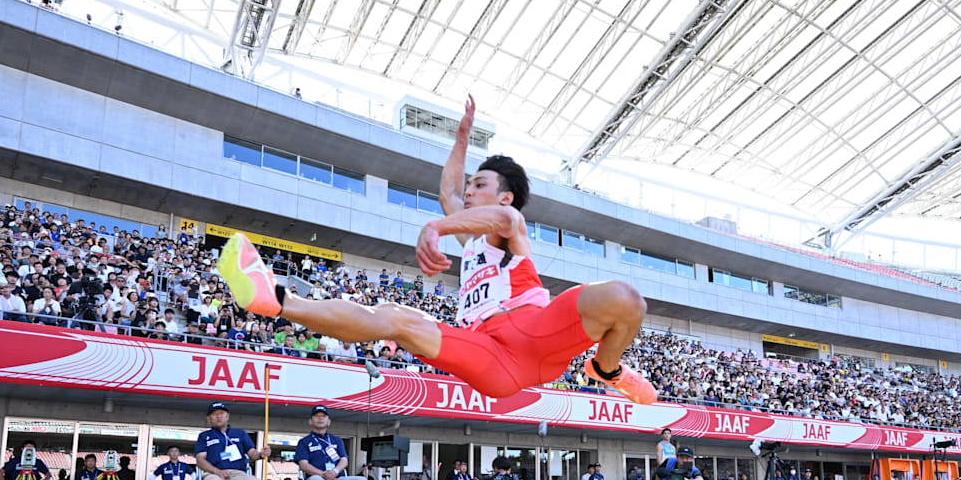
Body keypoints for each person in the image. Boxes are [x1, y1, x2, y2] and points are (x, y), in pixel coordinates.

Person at [215, 95, 656, 404]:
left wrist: (435, 226)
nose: (467, 192)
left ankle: (606, 369)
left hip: (535, 336)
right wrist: (462, 137)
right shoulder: (470, 236)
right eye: (469, 186)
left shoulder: (509, 225)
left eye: (478, 186)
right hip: (489, 356)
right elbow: (448, 190)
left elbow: (496, 219)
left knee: (625, 298)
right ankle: (276, 300)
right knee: (395, 318)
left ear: (505, 195)